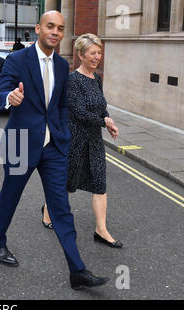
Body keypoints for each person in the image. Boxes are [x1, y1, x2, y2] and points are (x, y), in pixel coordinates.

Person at [0, 11, 109, 290]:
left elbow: (61, 105)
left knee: (61, 207)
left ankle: (77, 270)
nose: (55, 32)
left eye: (60, 28)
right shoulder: (17, 60)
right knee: (11, 196)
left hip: (53, 145)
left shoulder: (61, 67)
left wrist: (62, 135)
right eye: (50, 26)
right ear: (38, 28)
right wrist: (9, 97)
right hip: (21, 141)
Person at [41, 34, 122, 248]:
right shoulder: (73, 80)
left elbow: (101, 105)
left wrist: (108, 118)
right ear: (80, 55)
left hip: (94, 140)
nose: (97, 57)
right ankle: (48, 210)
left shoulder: (97, 78)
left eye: (99, 52)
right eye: (93, 53)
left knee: (99, 183)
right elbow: (79, 112)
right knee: (67, 183)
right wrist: (104, 123)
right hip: (75, 139)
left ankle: (101, 230)